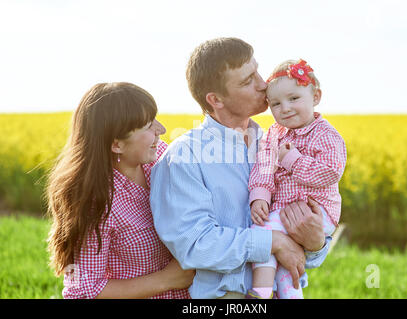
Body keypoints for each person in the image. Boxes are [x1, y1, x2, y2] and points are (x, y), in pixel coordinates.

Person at [150, 38, 332, 299]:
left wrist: (315, 244)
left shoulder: (282, 145)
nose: (263, 84)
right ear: (216, 99)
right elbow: (194, 245)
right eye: (248, 81)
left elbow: (306, 241)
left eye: (258, 71)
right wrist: (272, 242)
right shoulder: (183, 156)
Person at [46, 82, 194, 299]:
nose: (161, 130)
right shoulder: (94, 202)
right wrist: (166, 280)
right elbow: (80, 290)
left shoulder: (161, 159)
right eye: (148, 126)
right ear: (117, 144)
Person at [248, 59, 347, 299]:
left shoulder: (327, 135)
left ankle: (259, 293)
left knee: (263, 233)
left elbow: (330, 172)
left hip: (316, 212)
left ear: (316, 97)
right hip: (284, 209)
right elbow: (264, 166)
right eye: (276, 104)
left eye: (294, 99)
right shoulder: (274, 133)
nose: (285, 108)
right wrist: (259, 195)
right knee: (283, 260)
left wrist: (293, 160)